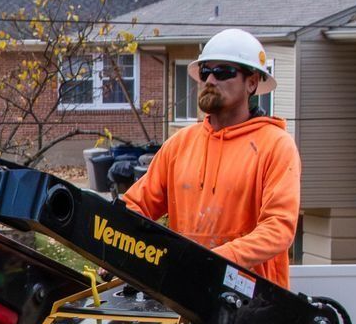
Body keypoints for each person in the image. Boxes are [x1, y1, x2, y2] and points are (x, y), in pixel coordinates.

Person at [122, 28, 301, 289]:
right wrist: (122, 248)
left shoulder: (275, 145)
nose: (210, 79)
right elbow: (135, 207)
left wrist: (214, 260)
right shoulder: (181, 144)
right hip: (188, 292)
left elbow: (278, 229)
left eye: (223, 72)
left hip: (253, 302)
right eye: (205, 71)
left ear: (252, 83)